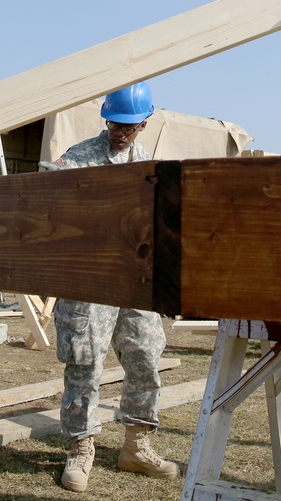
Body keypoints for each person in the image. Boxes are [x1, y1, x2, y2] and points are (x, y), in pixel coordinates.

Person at [49, 81, 180, 493]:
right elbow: (55, 211)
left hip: (135, 282)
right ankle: (80, 448)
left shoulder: (149, 167)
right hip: (91, 280)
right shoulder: (78, 160)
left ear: (144, 123)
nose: (120, 132)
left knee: (145, 358)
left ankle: (136, 445)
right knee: (85, 364)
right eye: (114, 124)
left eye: (129, 126)